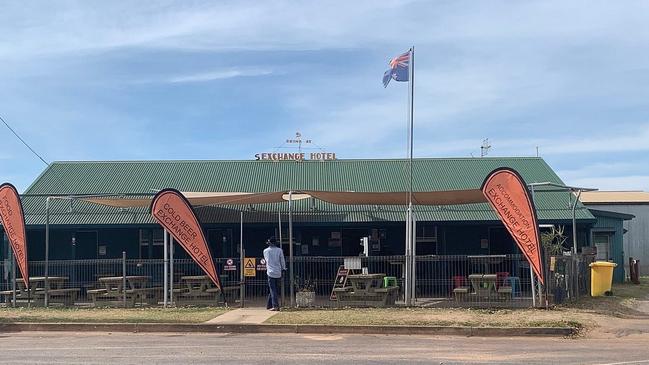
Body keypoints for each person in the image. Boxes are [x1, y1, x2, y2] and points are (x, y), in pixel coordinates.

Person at [263, 236, 286, 311]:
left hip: (270, 272)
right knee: (275, 289)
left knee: (272, 289)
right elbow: (282, 260)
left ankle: (275, 306)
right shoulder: (279, 250)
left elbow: (266, 260)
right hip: (278, 272)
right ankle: (269, 305)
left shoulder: (265, 251)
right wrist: (283, 269)